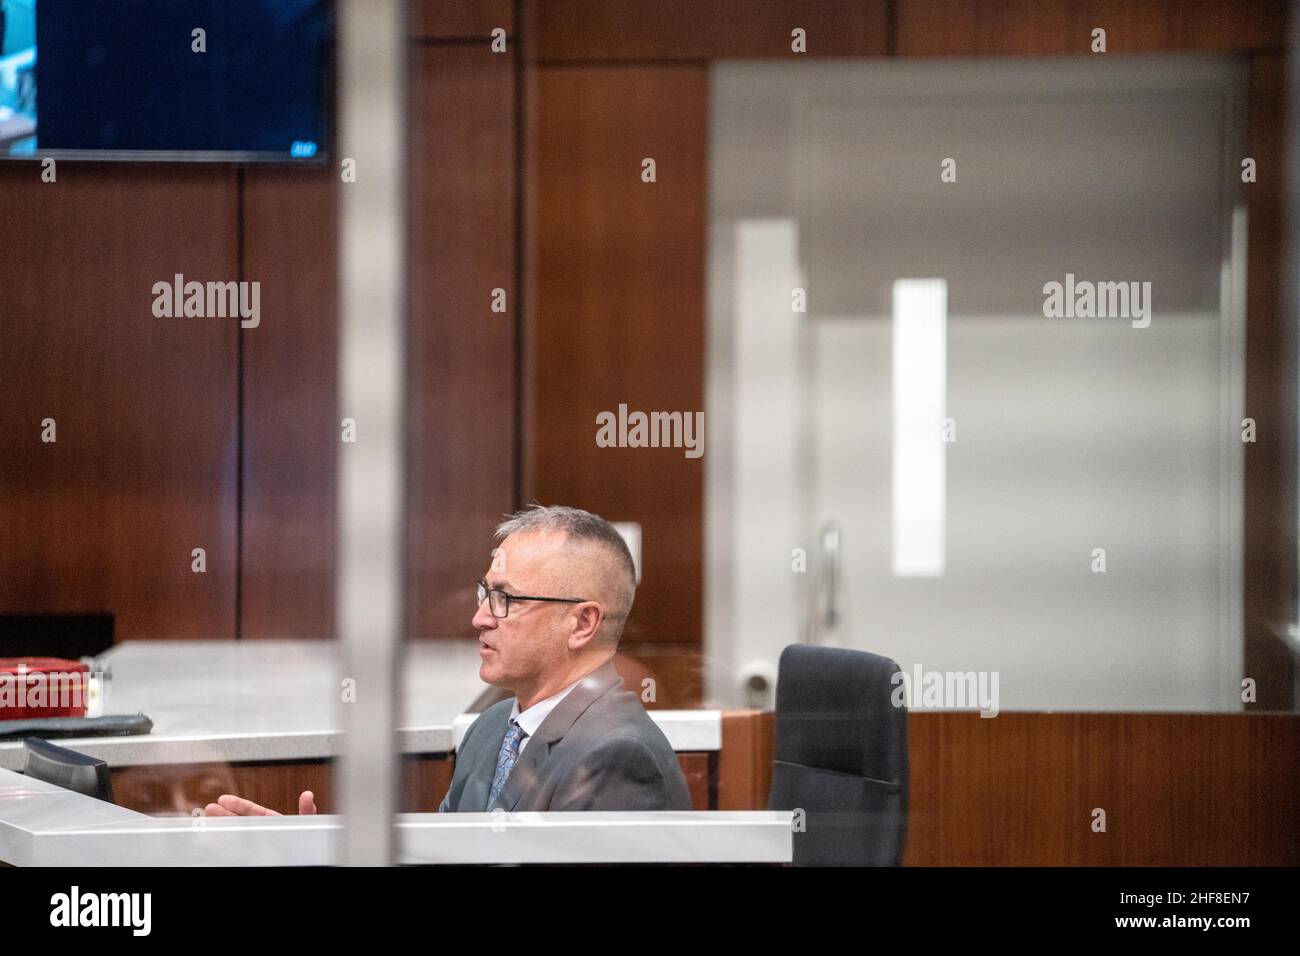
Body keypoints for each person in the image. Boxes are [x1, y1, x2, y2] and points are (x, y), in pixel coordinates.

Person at [204, 505, 691, 817]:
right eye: (485, 593)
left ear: (582, 624)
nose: (480, 617)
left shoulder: (618, 756)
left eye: (506, 599)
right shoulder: (493, 728)